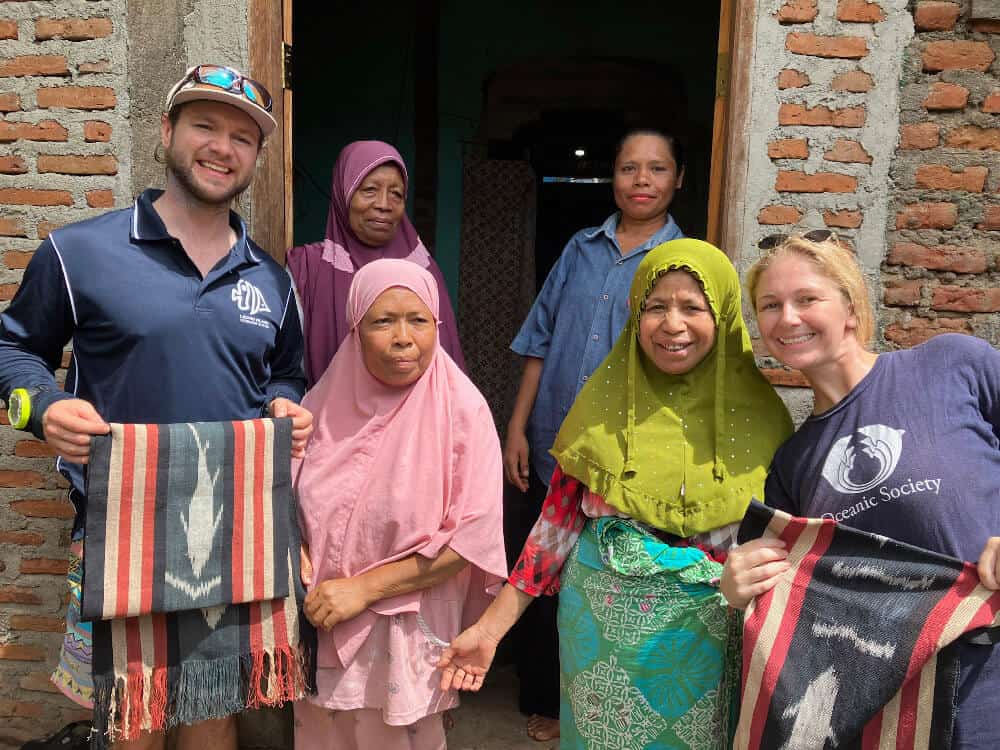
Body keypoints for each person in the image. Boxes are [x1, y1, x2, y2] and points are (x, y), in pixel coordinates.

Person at [0, 64, 313, 749]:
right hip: (120, 533)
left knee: (212, 715)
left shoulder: (273, 281)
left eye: (242, 136)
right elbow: (13, 350)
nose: (222, 147)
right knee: (131, 721)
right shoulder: (79, 253)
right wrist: (42, 406)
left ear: (257, 157)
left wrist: (288, 408)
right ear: (168, 131)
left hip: (233, 536)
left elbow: (287, 377)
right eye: (205, 125)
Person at [439, 239, 794, 749]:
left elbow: (783, 553)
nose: (672, 324)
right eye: (656, 307)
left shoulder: (763, 423)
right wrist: (491, 630)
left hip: (710, 645)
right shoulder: (602, 406)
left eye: (693, 307)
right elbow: (554, 530)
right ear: (635, 315)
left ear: (724, 316)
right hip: (601, 642)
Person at [720, 232, 1000, 749]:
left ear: (850, 307)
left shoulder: (953, 365)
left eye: (807, 299)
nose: (787, 318)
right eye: (770, 306)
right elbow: (791, 595)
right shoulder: (793, 460)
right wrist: (738, 586)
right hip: (890, 710)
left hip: (989, 677)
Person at [503, 127, 686, 741]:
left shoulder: (680, 263)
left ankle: (603, 698)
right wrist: (517, 428)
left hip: (624, 455)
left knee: (602, 574)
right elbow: (539, 342)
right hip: (553, 436)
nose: (641, 181)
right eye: (629, 168)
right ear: (613, 176)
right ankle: (546, 698)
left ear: (678, 179)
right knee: (539, 565)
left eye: (656, 169)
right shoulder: (580, 249)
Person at [292, 258, 507, 750]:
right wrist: (298, 551)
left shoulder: (463, 412)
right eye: (382, 321)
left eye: (419, 321)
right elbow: (285, 502)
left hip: (405, 634)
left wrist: (364, 588)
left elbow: (471, 542)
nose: (403, 338)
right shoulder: (318, 408)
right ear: (355, 329)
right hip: (323, 619)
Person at [286, 140, 465, 387]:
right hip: (330, 419)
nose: (384, 204)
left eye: (396, 194)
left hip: (418, 423)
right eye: (370, 190)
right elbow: (286, 369)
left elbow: (447, 367)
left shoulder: (424, 272)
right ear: (343, 193)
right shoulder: (307, 269)